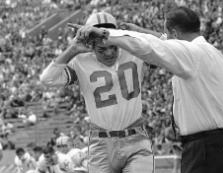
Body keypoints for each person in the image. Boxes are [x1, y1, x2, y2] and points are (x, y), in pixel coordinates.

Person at [69, 6, 223, 173]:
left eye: (168, 34)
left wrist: (105, 34)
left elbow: (153, 47)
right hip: (217, 147)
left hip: (204, 149)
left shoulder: (192, 55)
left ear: (175, 33)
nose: (166, 39)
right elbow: (166, 43)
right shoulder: (212, 53)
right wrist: (140, 30)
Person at [40, 11, 153, 173]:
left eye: (113, 46)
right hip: (101, 144)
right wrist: (72, 49)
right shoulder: (81, 60)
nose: (109, 53)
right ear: (90, 45)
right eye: (101, 49)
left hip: (136, 139)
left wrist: (140, 32)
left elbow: (172, 45)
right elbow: (47, 79)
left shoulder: (134, 50)